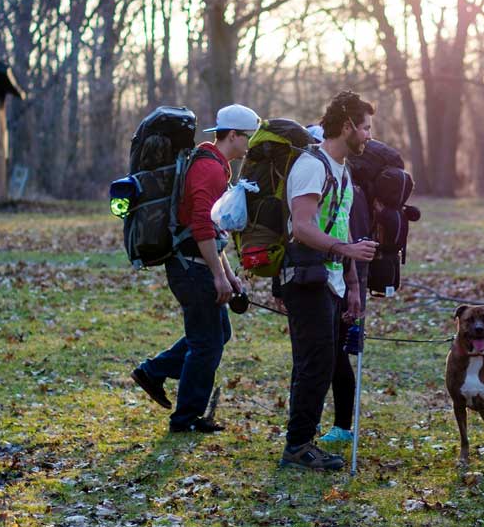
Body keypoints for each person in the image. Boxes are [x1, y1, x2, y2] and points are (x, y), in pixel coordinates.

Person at [130, 104, 259, 433]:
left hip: (198, 263)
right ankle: (185, 418)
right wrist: (218, 276)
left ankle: (154, 372)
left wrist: (230, 277)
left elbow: (216, 233)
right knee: (207, 344)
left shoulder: (215, 165)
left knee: (217, 335)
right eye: (248, 138)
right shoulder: (209, 169)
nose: (250, 145)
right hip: (191, 268)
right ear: (232, 135)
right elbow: (201, 226)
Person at [278, 91, 378, 470]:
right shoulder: (311, 165)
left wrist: (352, 285)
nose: (369, 136)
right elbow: (302, 227)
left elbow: (339, 225)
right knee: (314, 363)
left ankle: (301, 442)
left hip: (331, 279)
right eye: (366, 127)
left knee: (323, 361)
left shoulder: (343, 171)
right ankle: (298, 446)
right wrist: (347, 252)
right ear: (348, 126)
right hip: (305, 277)